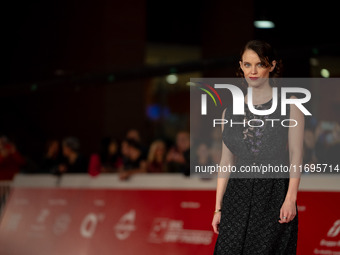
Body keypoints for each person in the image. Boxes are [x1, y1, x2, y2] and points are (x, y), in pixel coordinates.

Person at [212, 40, 304, 254]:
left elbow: (296, 154)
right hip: (236, 195)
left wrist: (290, 198)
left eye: (259, 64)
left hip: (273, 195)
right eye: (247, 65)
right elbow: (226, 162)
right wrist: (218, 208)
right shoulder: (230, 111)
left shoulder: (290, 106)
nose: (252, 71)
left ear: (271, 66)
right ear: (241, 66)